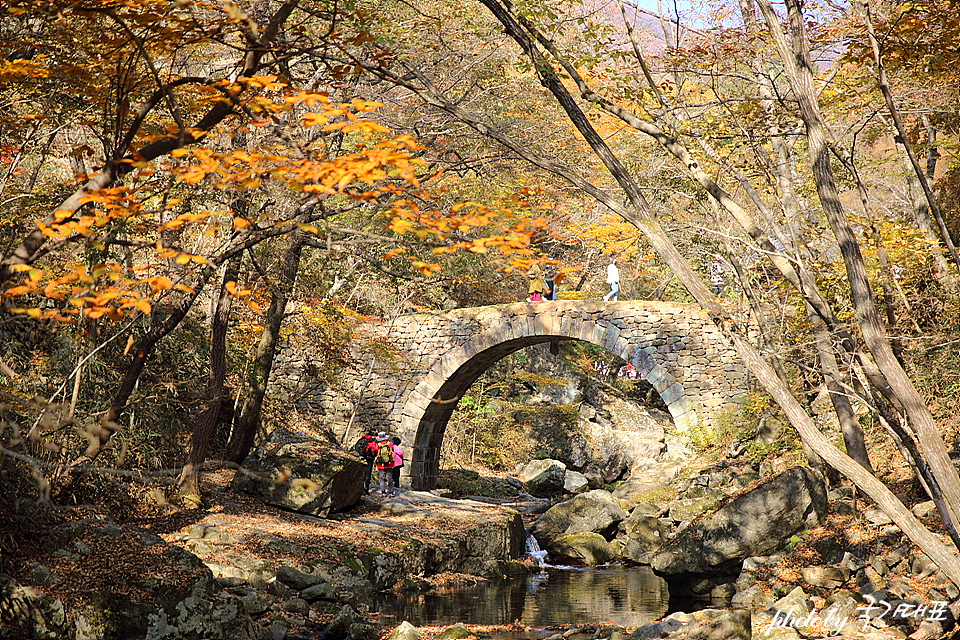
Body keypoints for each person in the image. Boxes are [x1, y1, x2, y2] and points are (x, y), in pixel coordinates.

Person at [352, 428, 377, 494]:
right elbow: (374, 452)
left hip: (361, 459)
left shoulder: (362, 439)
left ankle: (358, 489)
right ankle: (365, 489)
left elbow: (356, 447)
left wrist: (362, 455)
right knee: (367, 475)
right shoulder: (372, 442)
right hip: (369, 460)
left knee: (360, 474)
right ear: (374, 435)